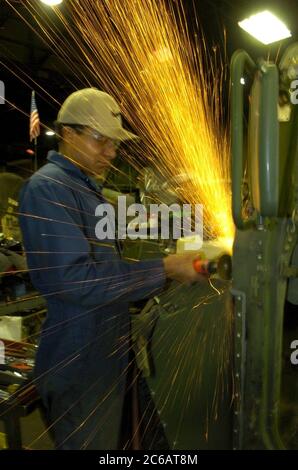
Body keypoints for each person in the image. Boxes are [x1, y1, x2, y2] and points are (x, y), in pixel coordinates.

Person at [19, 88, 204, 449]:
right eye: (100, 140)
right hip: (79, 361)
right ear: (68, 134)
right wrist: (164, 268)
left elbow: (107, 267)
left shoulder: (89, 192)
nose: (111, 152)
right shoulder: (48, 189)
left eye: (115, 143)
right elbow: (75, 281)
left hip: (106, 354)